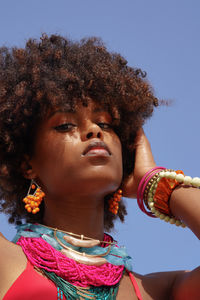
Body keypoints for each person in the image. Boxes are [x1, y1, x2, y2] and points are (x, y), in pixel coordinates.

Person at [0, 34, 199, 300]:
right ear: (27, 164)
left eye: (105, 124)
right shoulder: (6, 263)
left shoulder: (159, 291)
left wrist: (153, 182)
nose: (94, 130)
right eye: (65, 125)